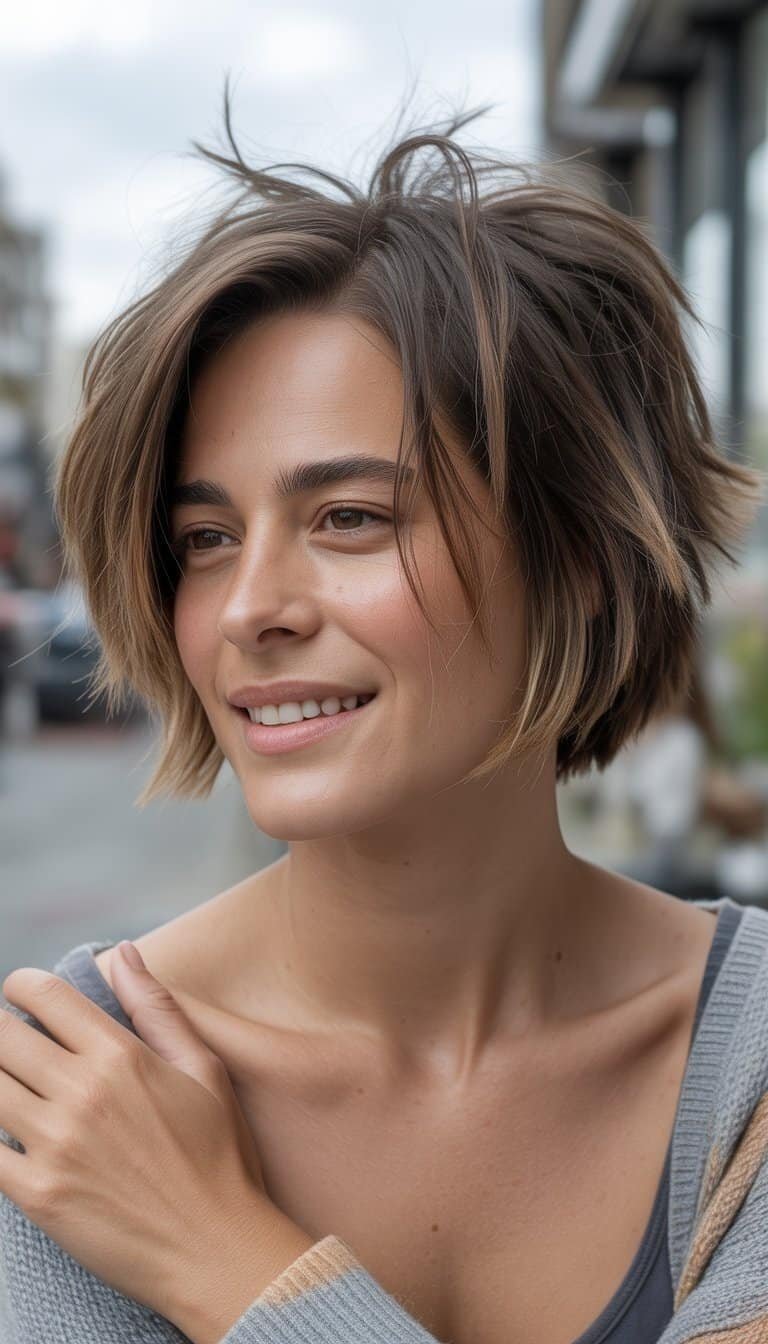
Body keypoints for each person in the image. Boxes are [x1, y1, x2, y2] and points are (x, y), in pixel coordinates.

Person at [2, 87, 768, 1344]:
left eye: (349, 517)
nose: (248, 607)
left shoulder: (744, 1063)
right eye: (204, 538)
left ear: (574, 555)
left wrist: (227, 1259)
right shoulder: (76, 1093)